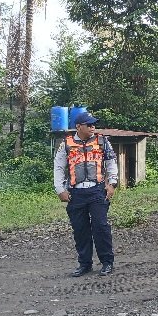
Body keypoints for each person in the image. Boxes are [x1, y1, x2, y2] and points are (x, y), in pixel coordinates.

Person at [54, 111, 118, 277]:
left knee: (101, 226)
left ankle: (107, 262)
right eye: (88, 124)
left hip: (97, 190)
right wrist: (60, 189)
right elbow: (59, 167)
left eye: (93, 124)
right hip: (76, 193)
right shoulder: (66, 143)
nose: (92, 127)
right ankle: (85, 263)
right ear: (78, 126)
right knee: (80, 229)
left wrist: (112, 184)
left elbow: (111, 162)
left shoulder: (102, 141)